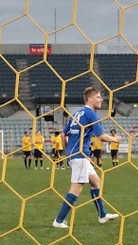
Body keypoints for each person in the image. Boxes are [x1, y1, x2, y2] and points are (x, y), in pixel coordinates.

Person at [52, 87, 122, 229]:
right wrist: (115, 139)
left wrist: (68, 152)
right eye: (98, 97)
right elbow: (101, 137)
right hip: (80, 156)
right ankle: (59, 220)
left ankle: (102, 215)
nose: (101, 100)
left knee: (96, 182)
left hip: (77, 155)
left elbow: (62, 135)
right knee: (76, 188)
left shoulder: (77, 113)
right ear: (90, 99)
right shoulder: (91, 114)